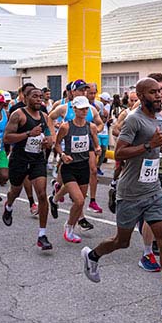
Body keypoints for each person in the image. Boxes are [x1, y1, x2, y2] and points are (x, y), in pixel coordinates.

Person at [81, 78, 162, 318]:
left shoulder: (160, 116)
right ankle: (92, 255)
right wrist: (147, 146)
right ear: (141, 96)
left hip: (153, 190)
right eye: (153, 93)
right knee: (122, 241)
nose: (159, 96)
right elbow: (120, 152)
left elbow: (156, 143)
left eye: (161, 92)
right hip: (130, 192)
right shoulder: (133, 119)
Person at [2, 88, 54, 250]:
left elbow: (50, 138)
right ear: (26, 98)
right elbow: (7, 137)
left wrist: (47, 142)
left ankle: (42, 235)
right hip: (20, 160)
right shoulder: (18, 114)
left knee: (42, 195)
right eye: (35, 97)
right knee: (15, 191)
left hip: (37, 159)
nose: (39, 99)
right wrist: (28, 134)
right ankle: (9, 206)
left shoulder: (45, 117)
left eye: (40, 97)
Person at [52, 95, 100, 243]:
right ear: (74, 109)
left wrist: (97, 148)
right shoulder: (66, 127)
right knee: (78, 201)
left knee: (80, 202)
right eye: (81, 109)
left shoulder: (90, 126)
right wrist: (63, 154)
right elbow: (57, 144)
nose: (85, 111)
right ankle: (69, 229)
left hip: (83, 166)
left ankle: (54, 200)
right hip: (69, 166)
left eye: (86, 108)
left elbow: (95, 141)